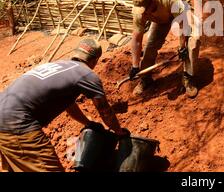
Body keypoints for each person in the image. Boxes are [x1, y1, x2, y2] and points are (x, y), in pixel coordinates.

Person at [0, 38, 128, 172]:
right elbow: (104, 110)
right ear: (95, 60)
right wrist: (119, 132)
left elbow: (69, 106)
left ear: (76, 53)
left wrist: (88, 123)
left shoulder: (60, 65)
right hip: (16, 123)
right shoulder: (87, 74)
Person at [129, 0, 200, 98]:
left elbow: (183, 24)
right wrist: (135, 66)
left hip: (183, 13)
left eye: (145, 11)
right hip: (162, 19)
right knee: (150, 46)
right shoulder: (139, 13)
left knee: (193, 42)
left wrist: (182, 47)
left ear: (152, 3)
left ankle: (188, 77)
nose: (143, 15)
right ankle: (145, 78)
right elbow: (136, 39)